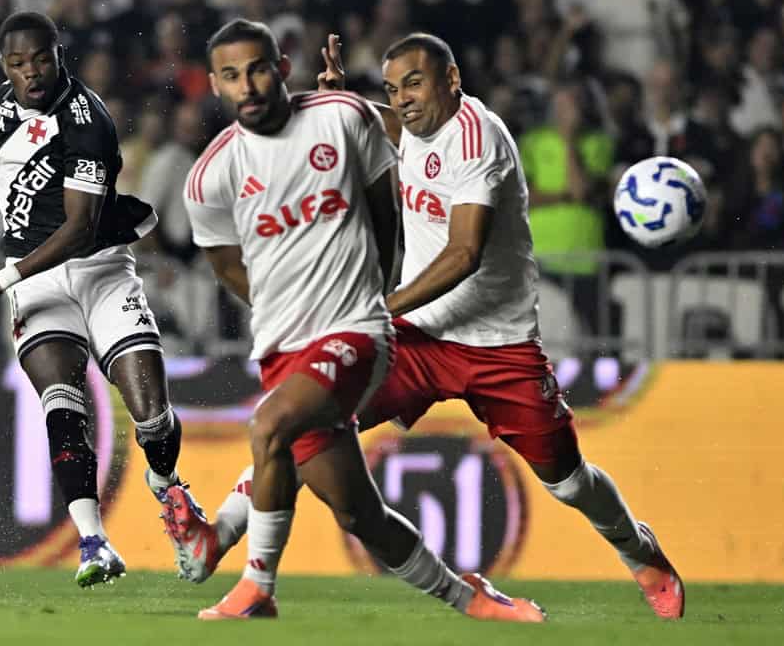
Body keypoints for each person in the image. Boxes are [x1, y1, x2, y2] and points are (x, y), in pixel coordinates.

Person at [166, 32, 685, 620]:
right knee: (301, 420)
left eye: (414, 83)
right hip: (417, 341)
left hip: (498, 345)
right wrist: (345, 105)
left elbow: (464, 254)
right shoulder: (406, 129)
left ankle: (637, 550)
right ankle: (220, 536)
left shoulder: (478, 137)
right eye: (393, 89)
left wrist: (379, 305)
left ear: (452, 79)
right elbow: (376, 127)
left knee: (567, 482)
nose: (404, 99)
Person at [175, 18, 544, 622]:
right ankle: (470, 598)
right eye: (232, 75)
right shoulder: (209, 178)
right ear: (214, 86)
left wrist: (367, 289)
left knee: (268, 427)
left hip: (357, 331)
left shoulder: (342, 117)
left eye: (259, 68)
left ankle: (256, 589)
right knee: (358, 514)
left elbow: (384, 208)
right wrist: (276, 302)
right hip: (283, 345)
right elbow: (225, 264)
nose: (248, 85)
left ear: (283, 67)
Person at [0, 11, 198, 588]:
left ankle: (167, 487)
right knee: (62, 406)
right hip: (40, 283)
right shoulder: (2, 104)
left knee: (151, 415)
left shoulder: (88, 122)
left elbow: (81, 227)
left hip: (98, 266)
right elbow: (9, 154)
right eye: (17, 64)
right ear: (3, 66)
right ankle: (94, 544)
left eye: (40, 59)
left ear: (59, 54)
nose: (30, 73)